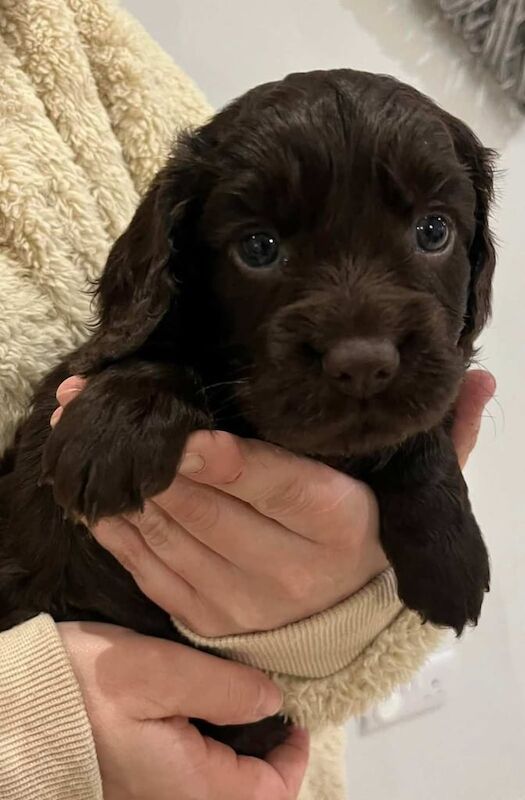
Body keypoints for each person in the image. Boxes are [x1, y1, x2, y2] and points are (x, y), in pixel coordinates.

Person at [0, 1, 496, 798]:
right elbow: (135, 334)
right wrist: (28, 731)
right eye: (260, 248)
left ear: (475, 263)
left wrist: (409, 497)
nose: (363, 346)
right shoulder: (159, 360)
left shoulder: (92, 50)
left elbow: (370, 634)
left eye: (431, 234)